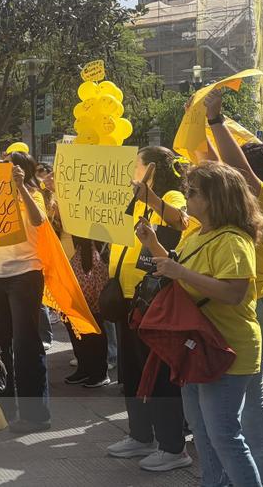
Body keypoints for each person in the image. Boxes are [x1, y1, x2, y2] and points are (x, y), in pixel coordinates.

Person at [136, 161, 263, 487]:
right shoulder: (199, 233)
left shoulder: (233, 240)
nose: (186, 197)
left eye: (193, 192)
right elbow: (182, 269)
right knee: (204, 434)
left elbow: (234, 293)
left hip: (226, 348)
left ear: (215, 198)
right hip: (198, 344)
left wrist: (179, 272)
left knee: (224, 435)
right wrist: (152, 243)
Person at [201, 89, 263, 485]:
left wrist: (215, 120)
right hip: (260, 303)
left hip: (254, 305)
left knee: (251, 407)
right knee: (242, 407)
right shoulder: (249, 209)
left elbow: (238, 167)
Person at [105, 146, 193, 471]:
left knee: (157, 377)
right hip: (129, 300)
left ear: (152, 169)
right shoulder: (129, 200)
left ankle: (172, 446)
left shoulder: (172, 196)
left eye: (136, 165)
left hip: (153, 301)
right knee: (132, 373)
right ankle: (140, 435)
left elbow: (182, 222)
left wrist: (151, 197)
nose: (131, 170)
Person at [0, 151, 50, 433]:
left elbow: (39, 221)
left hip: (25, 275)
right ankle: (2, 411)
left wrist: (21, 187)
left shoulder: (33, 194)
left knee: (26, 347)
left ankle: (36, 416)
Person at [62, 235, 110, 388]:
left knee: (95, 323)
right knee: (74, 322)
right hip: (79, 257)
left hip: (94, 260)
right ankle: (84, 367)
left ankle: (99, 372)